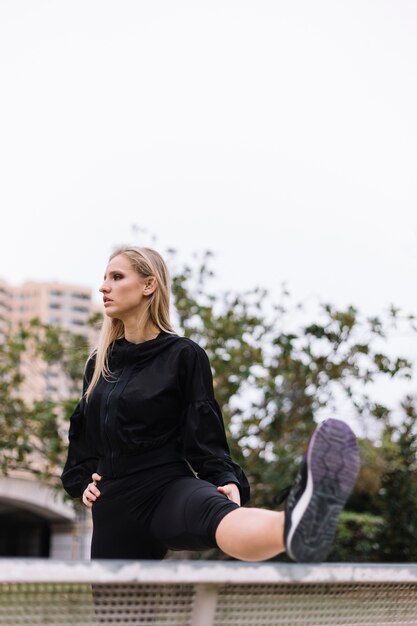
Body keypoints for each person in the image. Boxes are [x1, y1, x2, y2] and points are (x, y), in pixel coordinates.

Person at [61, 246, 360, 562]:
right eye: (104, 278)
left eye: (117, 277)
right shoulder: (100, 364)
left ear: (149, 285)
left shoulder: (183, 355)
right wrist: (83, 482)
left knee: (218, 516)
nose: (103, 287)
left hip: (168, 488)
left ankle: (295, 524)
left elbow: (202, 429)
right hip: (115, 505)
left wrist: (224, 478)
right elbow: (84, 438)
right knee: (118, 613)